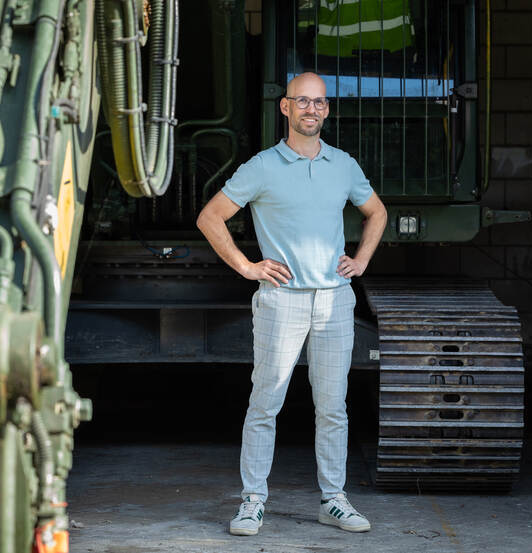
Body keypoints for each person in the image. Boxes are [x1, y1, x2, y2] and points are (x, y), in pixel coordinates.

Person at [196, 72, 387, 536]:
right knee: (266, 402)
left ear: (326, 109)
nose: (312, 110)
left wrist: (360, 261)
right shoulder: (262, 166)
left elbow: (376, 211)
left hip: (334, 301)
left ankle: (334, 500)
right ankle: (252, 500)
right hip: (281, 300)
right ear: (285, 108)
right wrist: (247, 267)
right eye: (302, 101)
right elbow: (210, 217)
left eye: (319, 103)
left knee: (333, 407)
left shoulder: (342, 164)